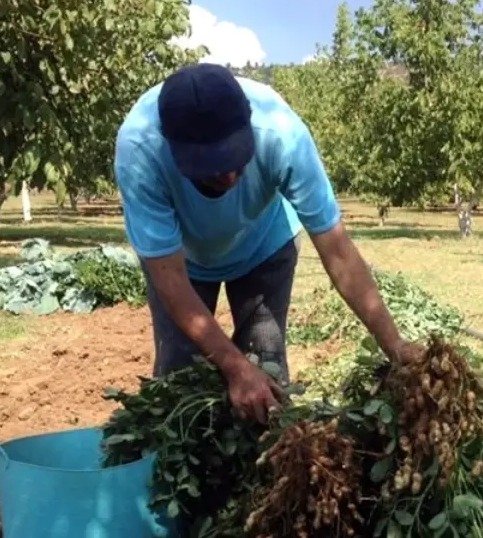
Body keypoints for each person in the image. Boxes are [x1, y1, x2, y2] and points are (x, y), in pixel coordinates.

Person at [114, 62, 419, 423]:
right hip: (184, 264)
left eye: (236, 157)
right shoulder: (141, 149)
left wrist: (394, 345)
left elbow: (338, 251)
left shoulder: (281, 133)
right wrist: (233, 367)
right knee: (179, 384)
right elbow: (171, 280)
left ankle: (267, 469)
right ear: (173, 146)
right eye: (210, 165)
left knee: (266, 379)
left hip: (265, 248)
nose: (228, 175)